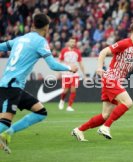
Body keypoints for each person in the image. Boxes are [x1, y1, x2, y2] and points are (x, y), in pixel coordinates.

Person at [0, 13, 78, 154]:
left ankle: (7, 134)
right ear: (47, 27)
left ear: (33, 24)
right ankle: (5, 132)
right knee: (5, 121)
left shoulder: (20, 39)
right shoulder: (40, 42)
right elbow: (53, 65)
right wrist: (69, 68)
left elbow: (2, 46)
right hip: (11, 86)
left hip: (13, 86)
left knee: (41, 112)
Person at [71, 20, 133, 141]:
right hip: (111, 78)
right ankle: (106, 127)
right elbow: (103, 52)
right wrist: (99, 67)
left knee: (105, 115)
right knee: (128, 102)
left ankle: (79, 130)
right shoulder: (124, 43)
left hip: (117, 81)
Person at [58, 37, 86, 112]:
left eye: (74, 42)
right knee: (65, 91)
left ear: (75, 43)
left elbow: (80, 63)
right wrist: (58, 72)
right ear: (68, 43)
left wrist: (84, 75)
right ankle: (62, 100)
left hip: (74, 73)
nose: (72, 43)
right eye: (71, 42)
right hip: (66, 73)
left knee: (73, 90)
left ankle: (69, 106)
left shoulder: (77, 52)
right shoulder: (64, 51)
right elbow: (59, 62)